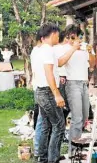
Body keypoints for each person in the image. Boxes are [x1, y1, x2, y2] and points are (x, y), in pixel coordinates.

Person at [58, 24, 96, 158]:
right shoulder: (64, 48)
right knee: (77, 118)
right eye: (73, 36)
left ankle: (77, 146)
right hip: (72, 83)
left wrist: (90, 52)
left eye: (79, 36)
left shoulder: (84, 47)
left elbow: (92, 66)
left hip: (84, 84)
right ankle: (73, 152)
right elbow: (60, 62)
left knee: (85, 116)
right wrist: (73, 48)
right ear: (68, 36)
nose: (76, 38)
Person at [34, 23, 65, 163]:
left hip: (40, 91)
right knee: (59, 125)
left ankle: (43, 158)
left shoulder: (38, 50)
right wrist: (57, 94)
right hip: (47, 92)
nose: (58, 37)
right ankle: (53, 159)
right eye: (58, 35)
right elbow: (49, 73)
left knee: (46, 125)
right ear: (52, 34)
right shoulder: (48, 50)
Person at [31, 30, 42, 159]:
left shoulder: (38, 51)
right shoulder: (38, 51)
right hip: (40, 88)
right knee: (41, 120)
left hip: (39, 87)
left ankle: (40, 149)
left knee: (41, 119)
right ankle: (38, 149)